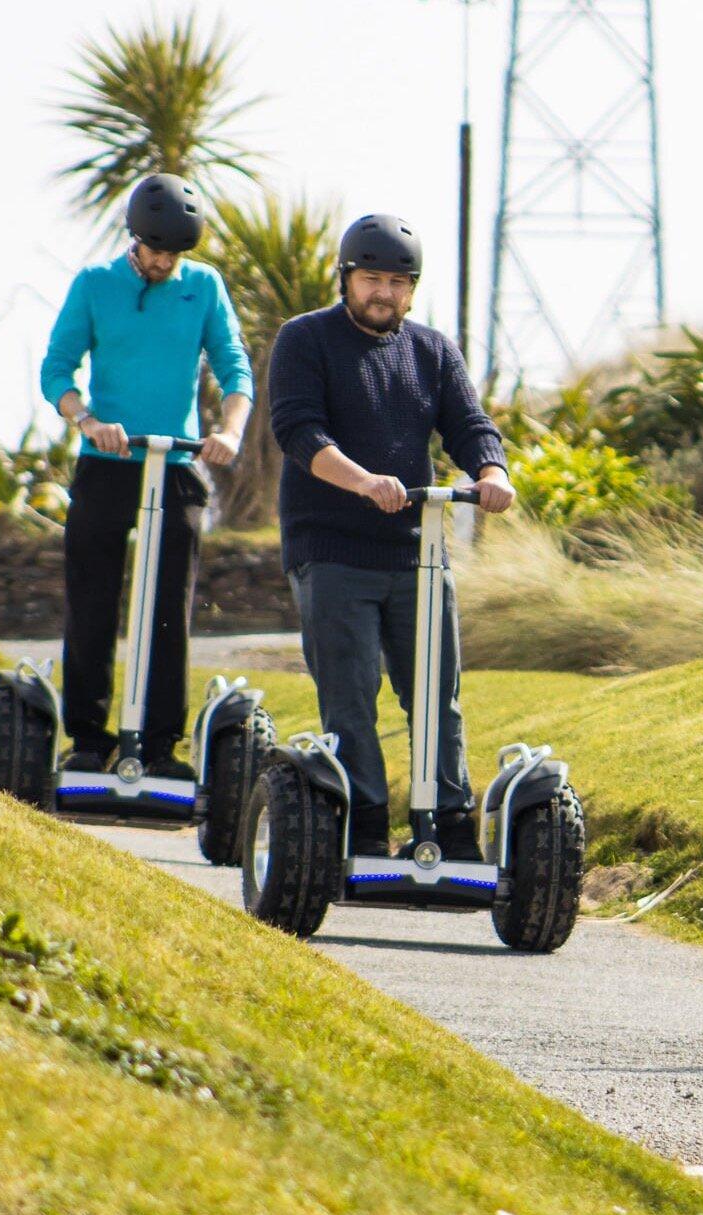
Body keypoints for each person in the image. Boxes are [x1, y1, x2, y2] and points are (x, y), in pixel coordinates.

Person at [265, 213, 516, 859]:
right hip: (331, 549)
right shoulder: (305, 339)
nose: (385, 293)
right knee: (350, 697)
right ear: (347, 278)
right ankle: (366, 827)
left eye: (398, 282)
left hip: (418, 552)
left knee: (438, 696)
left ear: (412, 288)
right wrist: (361, 480)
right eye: (372, 278)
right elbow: (299, 432)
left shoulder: (432, 350)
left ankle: (449, 826)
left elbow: (469, 423)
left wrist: (491, 471)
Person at [39, 172, 254, 778]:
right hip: (108, 462)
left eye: (174, 253)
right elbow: (57, 369)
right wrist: (86, 419)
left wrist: (230, 432)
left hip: (178, 462)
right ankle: (87, 739)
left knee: (168, 606)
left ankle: (161, 748)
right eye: (155, 249)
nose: (163, 262)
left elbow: (236, 369)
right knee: (93, 601)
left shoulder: (203, 287)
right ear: (135, 238)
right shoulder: (95, 285)